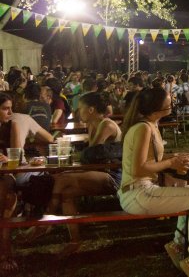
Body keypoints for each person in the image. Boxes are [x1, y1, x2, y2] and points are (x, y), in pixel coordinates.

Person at [118, 88, 189, 277]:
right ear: (157, 107)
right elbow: (138, 168)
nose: (173, 102)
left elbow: (150, 158)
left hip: (142, 190)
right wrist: (170, 163)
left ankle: (178, 243)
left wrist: (173, 158)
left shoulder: (151, 125)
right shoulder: (143, 128)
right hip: (138, 193)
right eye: (169, 100)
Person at [18, 92, 122, 254]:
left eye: (80, 109)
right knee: (66, 193)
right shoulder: (94, 125)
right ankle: (75, 240)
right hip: (98, 172)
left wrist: (70, 163)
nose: (76, 112)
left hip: (113, 176)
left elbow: (92, 158)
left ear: (91, 110)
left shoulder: (106, 125)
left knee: (62, 178)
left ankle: (45, 223)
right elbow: (90, 158)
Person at [0, 92, 54, 273]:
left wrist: (7, 158)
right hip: (8, 174)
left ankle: (6, 249)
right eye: (5, 108)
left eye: (11, 108)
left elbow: (14, 159)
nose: (10, 112)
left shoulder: (13, 124)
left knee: (8, 194)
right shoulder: (19, 121)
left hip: (7, 173)